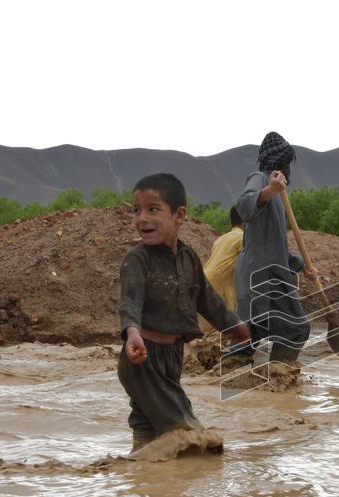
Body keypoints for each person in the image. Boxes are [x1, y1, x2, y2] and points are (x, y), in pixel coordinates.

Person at [118, 173, 250, 452]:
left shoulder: (189, 258)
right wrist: (132, 334)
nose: (142, 218)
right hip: (142, 357)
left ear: (179, 215)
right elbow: (130, 302)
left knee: (148, 421)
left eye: (153, 209)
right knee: (188, 431)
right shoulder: (137, 260)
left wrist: (236, 327)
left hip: (172, 356)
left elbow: (208, 300)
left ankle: (141, 472)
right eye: (136, 210)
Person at [233, 131, 313, 364]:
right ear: (279, 161)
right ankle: (279, 380)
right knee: (297, 328)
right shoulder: (260, 178)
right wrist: (269, 190)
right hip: (262, 275)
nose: (290, 168)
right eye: (287, 162)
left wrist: (302, 267)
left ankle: (225, 376)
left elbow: (274, 246)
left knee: (250, 334)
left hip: (259, 272)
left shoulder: (278, 195)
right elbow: (244, 207)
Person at [199, 206, 244, 332]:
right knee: (217, 332)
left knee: (204, 329)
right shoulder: (243, 238)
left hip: (203, 280)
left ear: (231, 222)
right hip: (219, 285)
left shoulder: (221, 239)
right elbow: (247, 264)